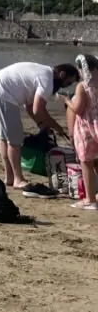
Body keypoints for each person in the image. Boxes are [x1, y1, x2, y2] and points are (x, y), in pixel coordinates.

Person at [0, 61, 79, 189]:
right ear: (62, 74)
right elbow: (38, 110)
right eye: (68, 83)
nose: (65, 87)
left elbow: (30, 107)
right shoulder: (47, 80)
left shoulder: (44, 73)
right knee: (15, 140)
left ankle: (10, 177)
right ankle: (18, 179)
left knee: (4, 138)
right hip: (3, 94)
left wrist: (42, 124)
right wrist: (56, 126)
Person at [67, 54, 98, 209]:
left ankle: (90, 199)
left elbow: (78, 108)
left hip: (87, 127)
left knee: (86, 162)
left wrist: (67, 101)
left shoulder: (83, 85)